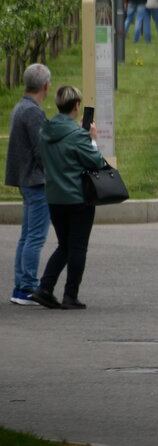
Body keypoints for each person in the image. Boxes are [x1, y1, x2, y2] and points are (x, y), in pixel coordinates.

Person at [28, 86, 105, 310]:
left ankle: (45, 288)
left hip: (54, 197)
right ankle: (70, 295)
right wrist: (92, 139)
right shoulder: (78, 135)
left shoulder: (45, 131)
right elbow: (96, 162)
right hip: (78, 198)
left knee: (64, 245)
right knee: (78, 247)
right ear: (77, 106)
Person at [6, 64, 51, 306]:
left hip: (24, 178)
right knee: (35, 236)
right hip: (36, 180)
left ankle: (20, 285)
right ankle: (28, 286)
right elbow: (41, 149)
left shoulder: (20, 107)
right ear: (46, 86)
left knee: (26, 235)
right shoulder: (34, 112)